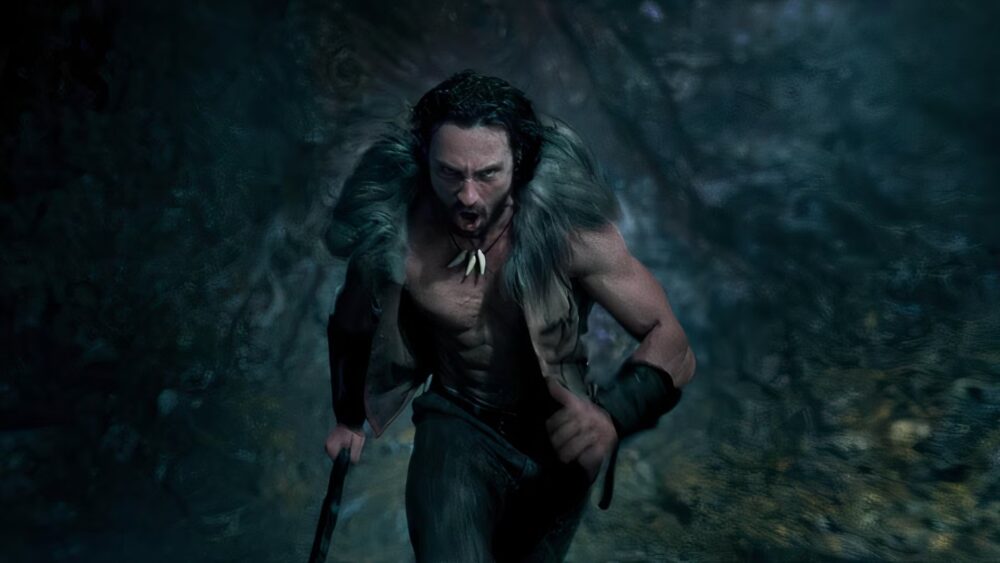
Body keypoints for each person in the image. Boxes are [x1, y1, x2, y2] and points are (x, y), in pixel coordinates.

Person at [321, 70, 696, 562]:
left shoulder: (569, 232)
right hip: (458, 424)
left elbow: (673, 344)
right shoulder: (397, 235)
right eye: (449, 173)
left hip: (559, 440)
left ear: (519, 163)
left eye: (487, 174)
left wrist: (612, 416)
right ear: (424, 160)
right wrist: (348, 417)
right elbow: (352, 324)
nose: (468, 196)